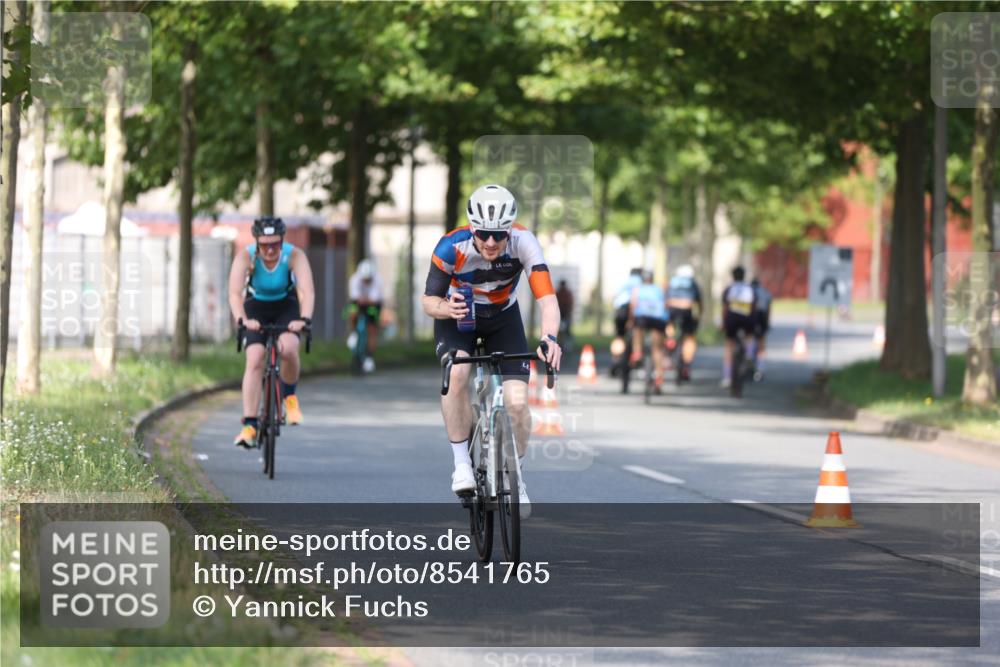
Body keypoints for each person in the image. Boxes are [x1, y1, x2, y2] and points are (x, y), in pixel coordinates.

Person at [421, 184, 562, 518]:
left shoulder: (524, 242)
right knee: (457, 373)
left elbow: (547, 299)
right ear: (472, 228)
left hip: (503, 318)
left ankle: (517, 478)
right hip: (458, 318)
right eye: (483, 233)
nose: (490, 242)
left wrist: (550, 337)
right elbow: (428, 302)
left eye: (498, 235)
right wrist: (448, 309)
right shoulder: (450, 246)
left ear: (509, 229)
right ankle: (461, 466)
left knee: (516, 402)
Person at [228, 216, 315, 447]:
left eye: (275, 244)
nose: (269, 250)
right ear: (257, 243)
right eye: (265, 245)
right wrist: (243, 320)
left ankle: (289, 397)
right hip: (255, 306)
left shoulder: (294, 255)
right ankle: (249, 425)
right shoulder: (246, 256)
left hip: (286, 305)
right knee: (255, 357)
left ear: (282, 242)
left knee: (289, 347)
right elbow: (235, 294)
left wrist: (304, 319)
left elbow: (307, 291)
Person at [629, 269, 669, 392]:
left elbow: (633, 305)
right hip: (658, 320)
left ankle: (637, 352)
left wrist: (630, 320)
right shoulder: (659, 289)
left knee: (637, 330)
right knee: (657, 349)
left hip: (643, 318)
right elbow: (665, 305)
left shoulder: (638, 289)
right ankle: (659, 378)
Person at [720, 266, 756, 388]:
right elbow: (753, 307)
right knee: (749, 335)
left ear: (733, 276)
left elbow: (725, 308)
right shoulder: (749, 288)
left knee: (729, 346)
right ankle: (750, 355)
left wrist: (723, 323)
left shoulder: (729, 289)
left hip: (732, 318)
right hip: (746, 318)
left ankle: (727, 376)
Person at [666, 264, 703, 381]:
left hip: (672, 308)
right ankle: (686, 365)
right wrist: (699, 315)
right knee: (690, 337)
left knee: (669, 324)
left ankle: (670, 339)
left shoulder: (673, 281)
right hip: (687, 310)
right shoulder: (692, 283)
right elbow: (699, 301)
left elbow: (665, 297)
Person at [347, 258, 384, 373]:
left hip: (373, 305)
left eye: (368, 280)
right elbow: (355, 298)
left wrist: (365, 300)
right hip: (360, 303)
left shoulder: (378, 280)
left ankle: (369, 356)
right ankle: (353, 332)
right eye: (364, 280)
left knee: (372, 329)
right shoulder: (354, 279)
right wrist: (363, 301)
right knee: (352, 312)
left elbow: (374, 300)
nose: (366, 282)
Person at [749, 277, 773, 381]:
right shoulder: (765, 293)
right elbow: (768, 310)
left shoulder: (748, 292)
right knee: (761, 343)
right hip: (762, 317)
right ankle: (760, 368)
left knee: (749, 338)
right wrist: (767, 324)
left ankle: (748, 357)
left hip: (751, 317)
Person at [555, 279, 575, 350]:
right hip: (562, 315)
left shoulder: (561, 293)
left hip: (564, 315)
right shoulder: (561, 293)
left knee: (565, 331)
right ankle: (563, 345)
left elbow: (569, 304)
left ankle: (565, 346)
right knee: (562, 331)